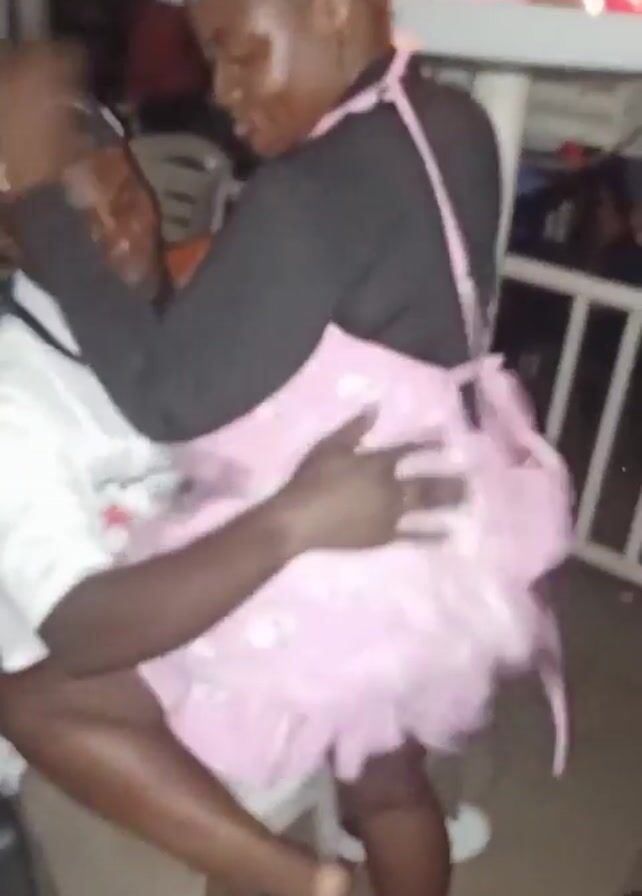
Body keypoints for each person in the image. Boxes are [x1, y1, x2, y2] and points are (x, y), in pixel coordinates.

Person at [0, 6, 571, 895]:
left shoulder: (309, 192)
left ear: (333, 10)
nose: (223, 93)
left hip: (333, 552)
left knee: (40, 696)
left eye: (239, 52)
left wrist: (41, 199)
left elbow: (167, 400)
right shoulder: (451, 122)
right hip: (433, 531)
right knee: (389, 790)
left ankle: (295, 877)